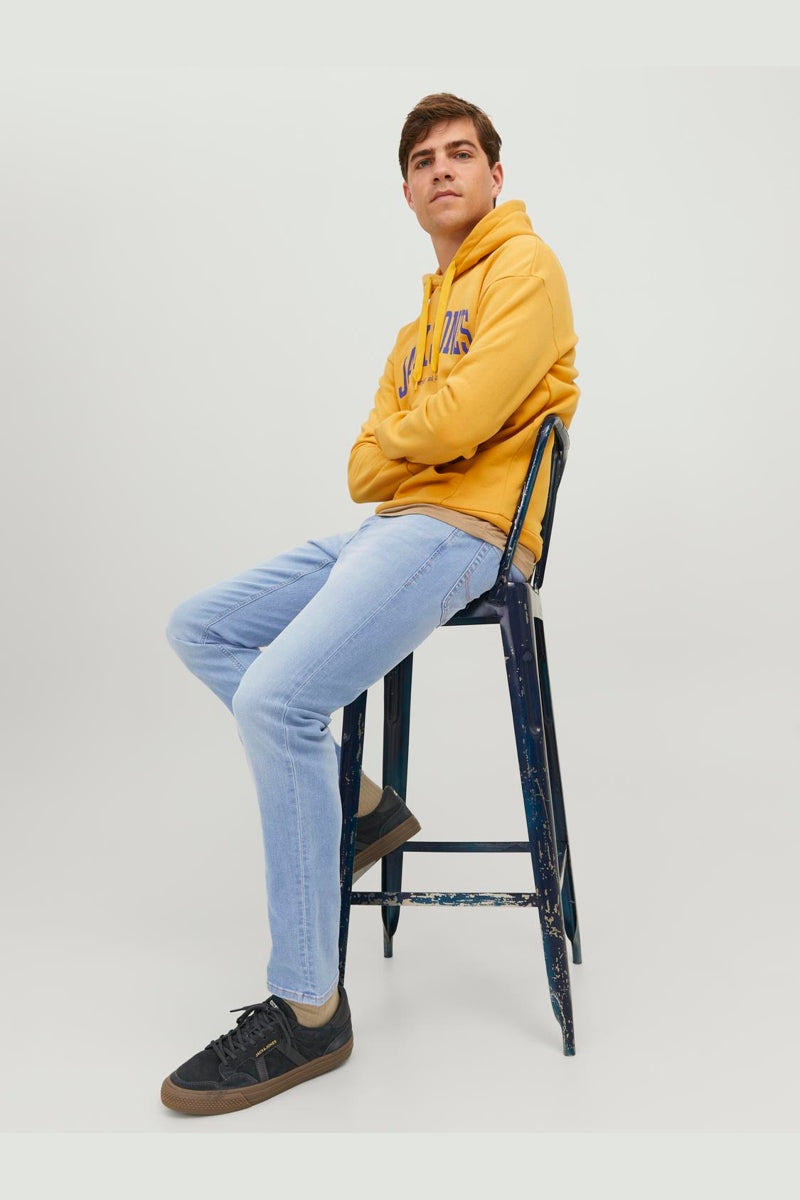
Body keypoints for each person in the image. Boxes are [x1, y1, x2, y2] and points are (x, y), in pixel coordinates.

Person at [161, 92, 579, 1116]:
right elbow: (362, 469)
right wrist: (420, 435)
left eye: (460, 154)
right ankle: (361, 808)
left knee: (277, 702)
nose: (443, 170)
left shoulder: (526, 269)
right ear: (406, 192)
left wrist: (418, 434)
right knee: (201, 626)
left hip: (468, 535)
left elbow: (459, 421)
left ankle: (309, 1009)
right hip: (390, 528)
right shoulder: (418, 323)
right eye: (423, 161)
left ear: (493, 175)